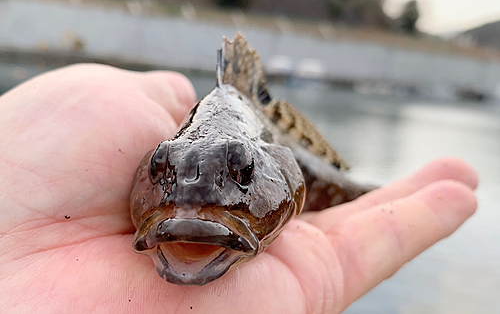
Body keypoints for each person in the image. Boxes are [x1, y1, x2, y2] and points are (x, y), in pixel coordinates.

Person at [0, 64, 477, 314]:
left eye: (243, 172)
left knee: (358, 190)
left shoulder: (281, 160)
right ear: (157, 159)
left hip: (274, 142)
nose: (189, 204)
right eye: (165, 170)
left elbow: (289, 165)